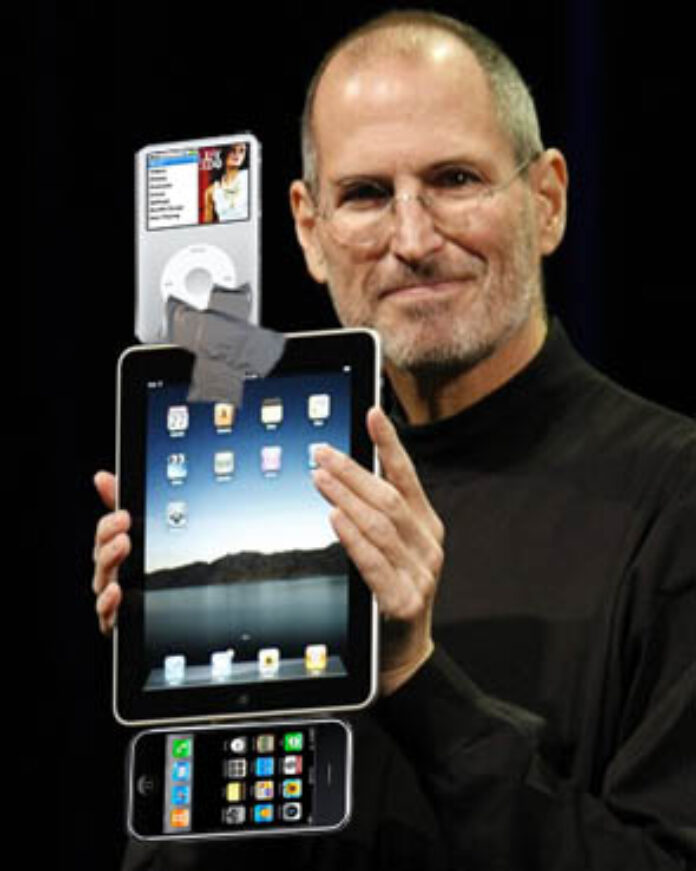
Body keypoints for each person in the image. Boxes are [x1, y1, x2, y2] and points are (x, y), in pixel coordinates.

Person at [93, 10, 696, 870]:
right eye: (366, 195)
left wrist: (413, 674)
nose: (412, 241)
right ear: (310, 231)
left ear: (548, 201)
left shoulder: (675, 496)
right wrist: (203, 706)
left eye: (455, 180)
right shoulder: (289, 486)